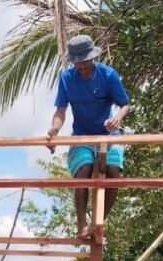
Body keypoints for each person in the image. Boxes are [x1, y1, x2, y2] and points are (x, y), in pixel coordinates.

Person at [46, 35, 131, 240]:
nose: (81, 66)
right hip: (81, 136)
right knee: (83, 169)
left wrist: (117, 118)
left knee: (113, 172)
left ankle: (98, 222)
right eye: (77, 62)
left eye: (84, 61)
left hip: (109, 134)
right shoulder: (67, 78)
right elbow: (60, 111)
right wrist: (54, 130)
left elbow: (124, 105)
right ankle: (82, 224)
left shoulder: (108, 75)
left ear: (92, 57)